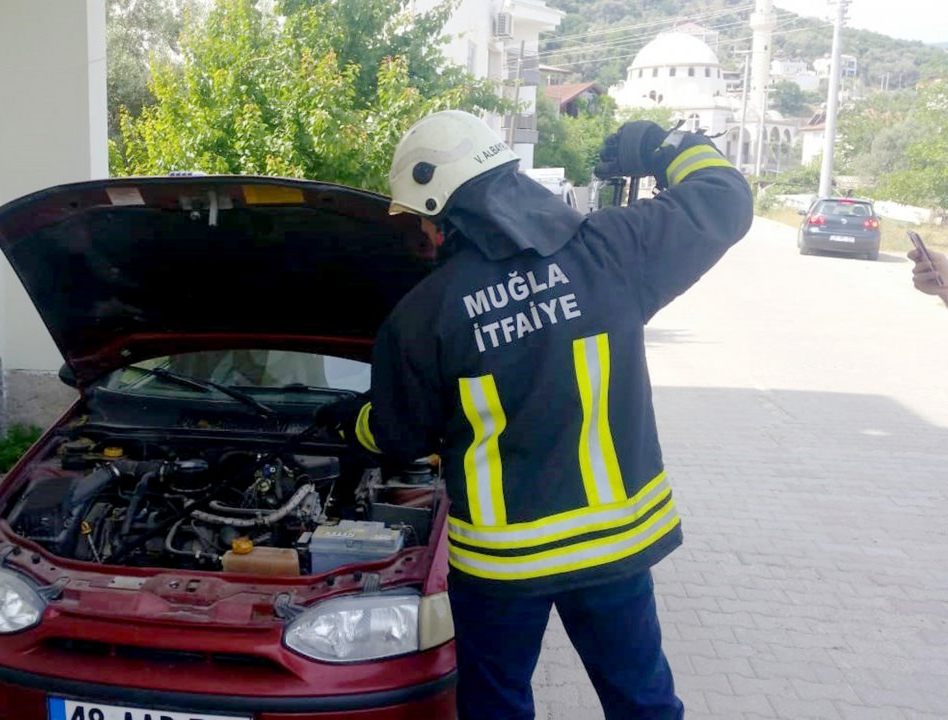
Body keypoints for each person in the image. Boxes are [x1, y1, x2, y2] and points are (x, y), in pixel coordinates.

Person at [317, 111, 753, 719]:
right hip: (616, 543)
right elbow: (725, 200)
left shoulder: (426, 314)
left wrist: (346, 423)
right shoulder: (612, 249)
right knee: (642, 702)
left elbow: (398, 435)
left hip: (503, 562)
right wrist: (665, 147)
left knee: (498, 707)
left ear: (441, 214)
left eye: (422, 219)